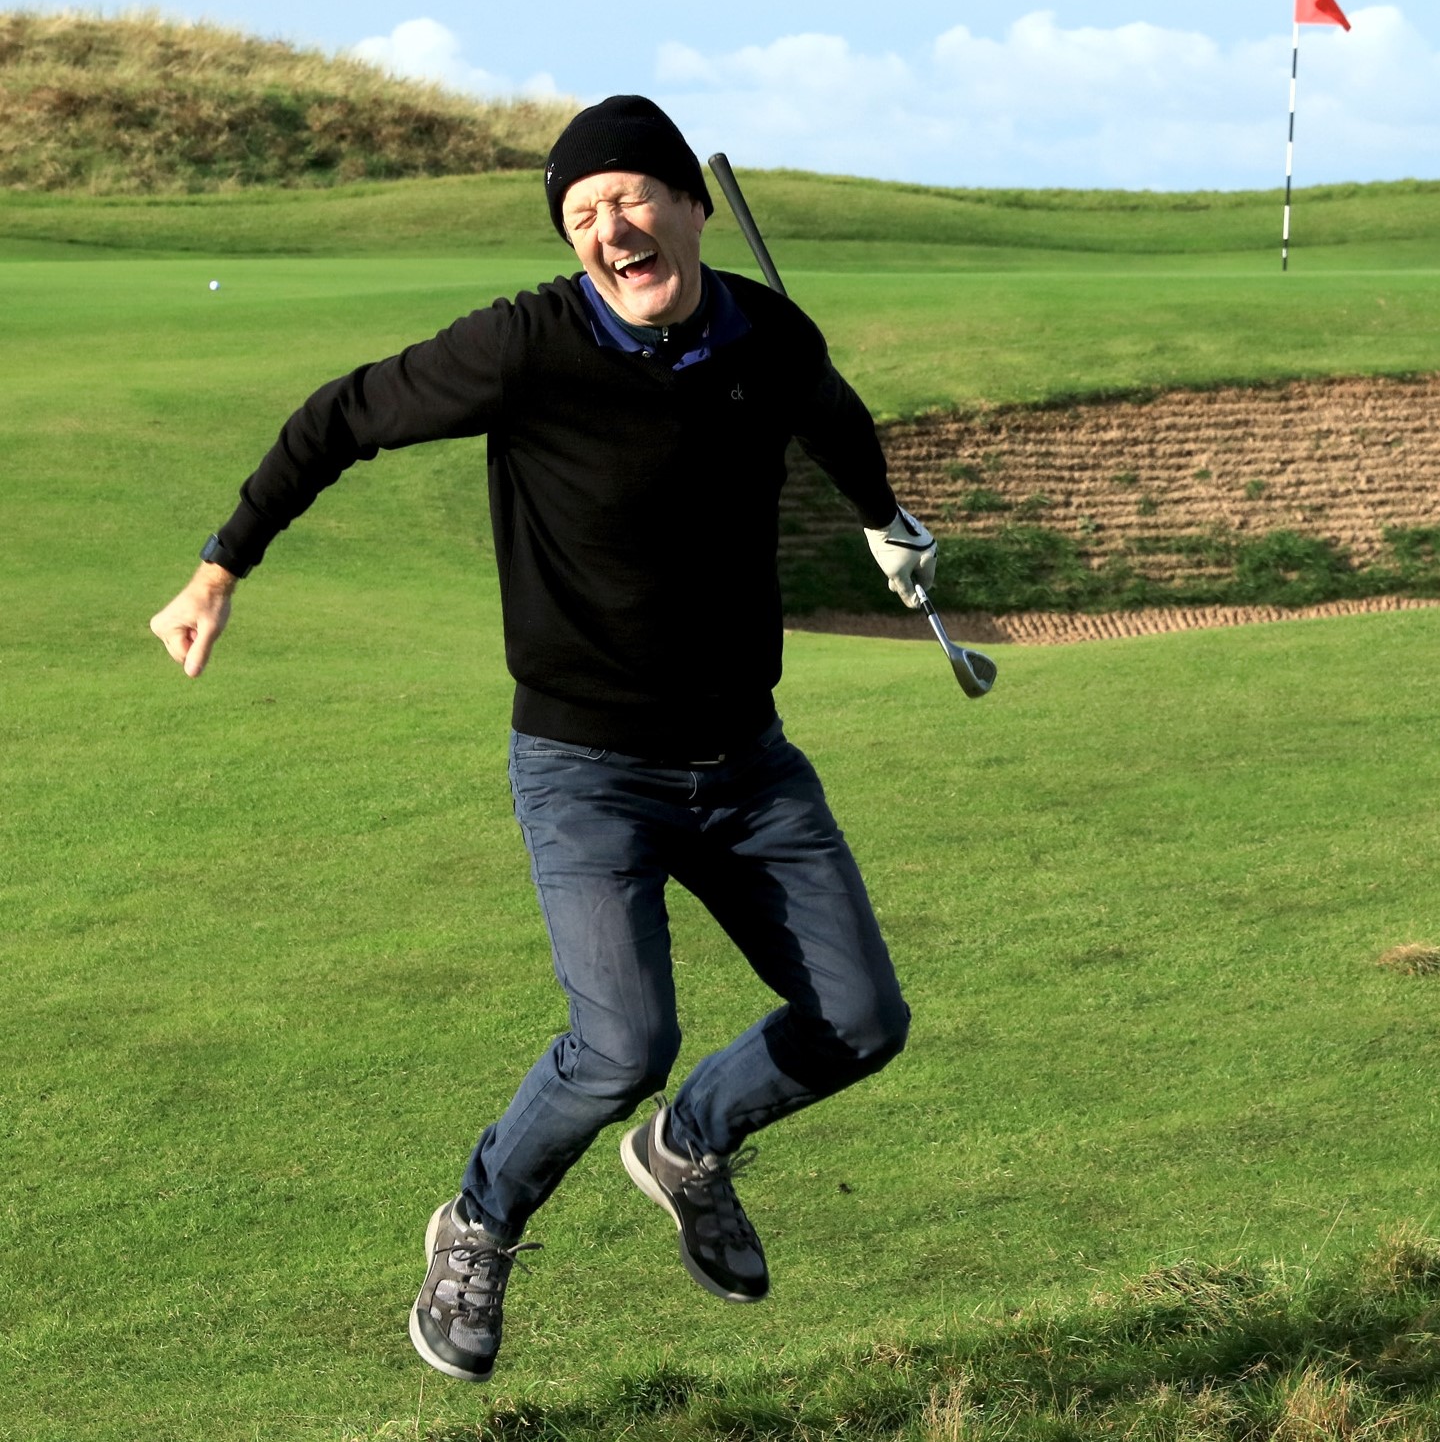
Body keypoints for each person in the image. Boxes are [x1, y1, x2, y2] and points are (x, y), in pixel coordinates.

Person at [148, 96, 938, 1384]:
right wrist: (219, 567)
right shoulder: (526, 347)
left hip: (748, 762)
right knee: (622, 1046)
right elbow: (339, 416)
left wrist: (884, 517)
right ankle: (475, 1227)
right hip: (589, 770)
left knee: (860, 1020)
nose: (608, 230)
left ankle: (689, 1146)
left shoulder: (766, 334)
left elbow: (830, 408)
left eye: (629, 198)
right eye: (581, 215)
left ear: (689, 206)